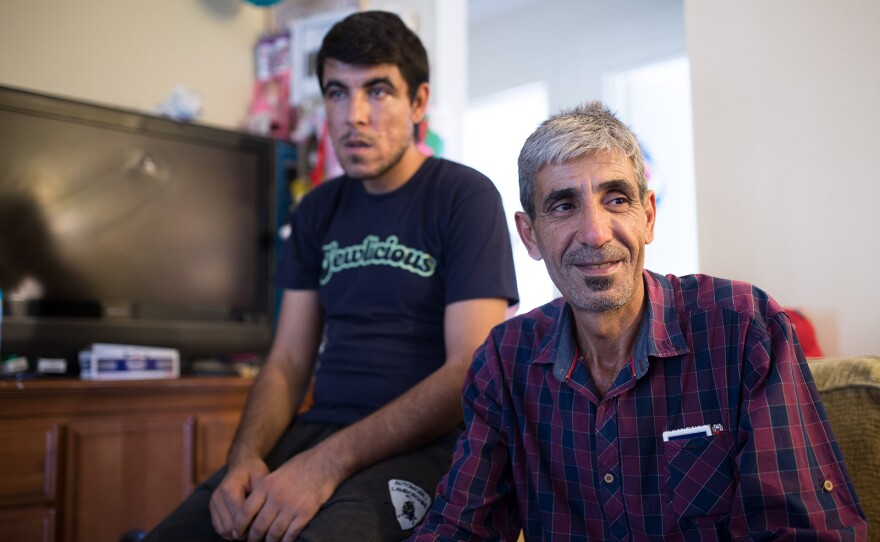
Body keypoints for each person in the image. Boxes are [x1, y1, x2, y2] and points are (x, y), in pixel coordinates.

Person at [409, 102, 867, 541]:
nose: (594, 232)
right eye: (564, 206)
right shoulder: (504, 361)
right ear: (529, 234)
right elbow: (460, 527)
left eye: (616, 199)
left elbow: (802, 530)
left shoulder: (745, 328)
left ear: (647, 215)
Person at [145, 11, 517, 542]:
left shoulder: (465, 197)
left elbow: (468, 371)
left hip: (426, 447)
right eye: (337, 93)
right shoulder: (318, 209)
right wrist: (245, 457)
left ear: (418, 102)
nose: (354, 116)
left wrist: (327, 464)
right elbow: (288, 360)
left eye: (378, 91)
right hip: (314, 434)